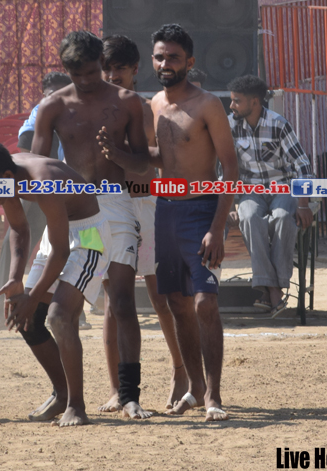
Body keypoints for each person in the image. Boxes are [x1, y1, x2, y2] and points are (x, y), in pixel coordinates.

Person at [33, 31, 152, 420]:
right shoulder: (52, 106)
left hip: (116, 203)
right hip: (74, 208)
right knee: (59, 309)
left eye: (89, 72)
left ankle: (129, 395)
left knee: (121, 300)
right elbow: (37, 164)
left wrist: (117, 155)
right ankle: (66, 394)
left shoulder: (127, 102)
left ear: (101, 63)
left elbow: (143, 164)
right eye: (75, 74)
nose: (84, 80)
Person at [0, 142, 105, 427]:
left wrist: (33, 297)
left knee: (59, 316)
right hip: (56, 235)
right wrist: (16, 279)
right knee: (27, 320)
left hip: (88, 235)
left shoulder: (45, 181)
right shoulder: (6, 174)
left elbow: (62, 252)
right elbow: (19, 228)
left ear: (6, 177)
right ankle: (62, 394)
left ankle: (76, 406)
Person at [146, 23, 237, 422]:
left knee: (205, 303)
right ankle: (195, 390)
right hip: (165, 211)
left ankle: (214, 395)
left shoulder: (208, 105)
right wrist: (119, 151)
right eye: (160, 57)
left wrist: (217, 227)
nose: (165, 64)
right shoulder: (153, 104)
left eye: (174, 57)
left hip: (202, 212)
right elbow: (160, 158)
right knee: (177, 303)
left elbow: (231, 168)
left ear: (190, 61)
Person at [98, 35, 189, 412]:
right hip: (108, 207)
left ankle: (181, 372)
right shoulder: (92, 109)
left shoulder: (149, 108)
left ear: (135, 69)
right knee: (113, 302)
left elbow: (163, 162)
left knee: (161, 296)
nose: (112, 75)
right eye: (106, 68)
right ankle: (117, 388)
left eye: (119, 68)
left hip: (147, 205)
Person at [0, 72, 73, 330]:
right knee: (13, 241)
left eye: (62, 94)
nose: (55, 100)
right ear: (43, 96)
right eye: (50, 95)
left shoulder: (80, 112)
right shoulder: (39, 112)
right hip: (39, 184)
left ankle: (76, 312)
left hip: (75, 188)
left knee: (74, 244)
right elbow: (26, 147)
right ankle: (2, 310)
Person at [226, 74, 313, 317]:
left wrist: (303, 205)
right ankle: (273, 289)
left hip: (282, 189)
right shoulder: (230, 126)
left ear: (254, 102)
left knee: (283, 218)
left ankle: (272, 288)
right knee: (249, 218)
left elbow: (303, 166)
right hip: (250, 192)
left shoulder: (278, 124)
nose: (231, 106)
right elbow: (226, 170)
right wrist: (230, 206)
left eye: (236, 101)